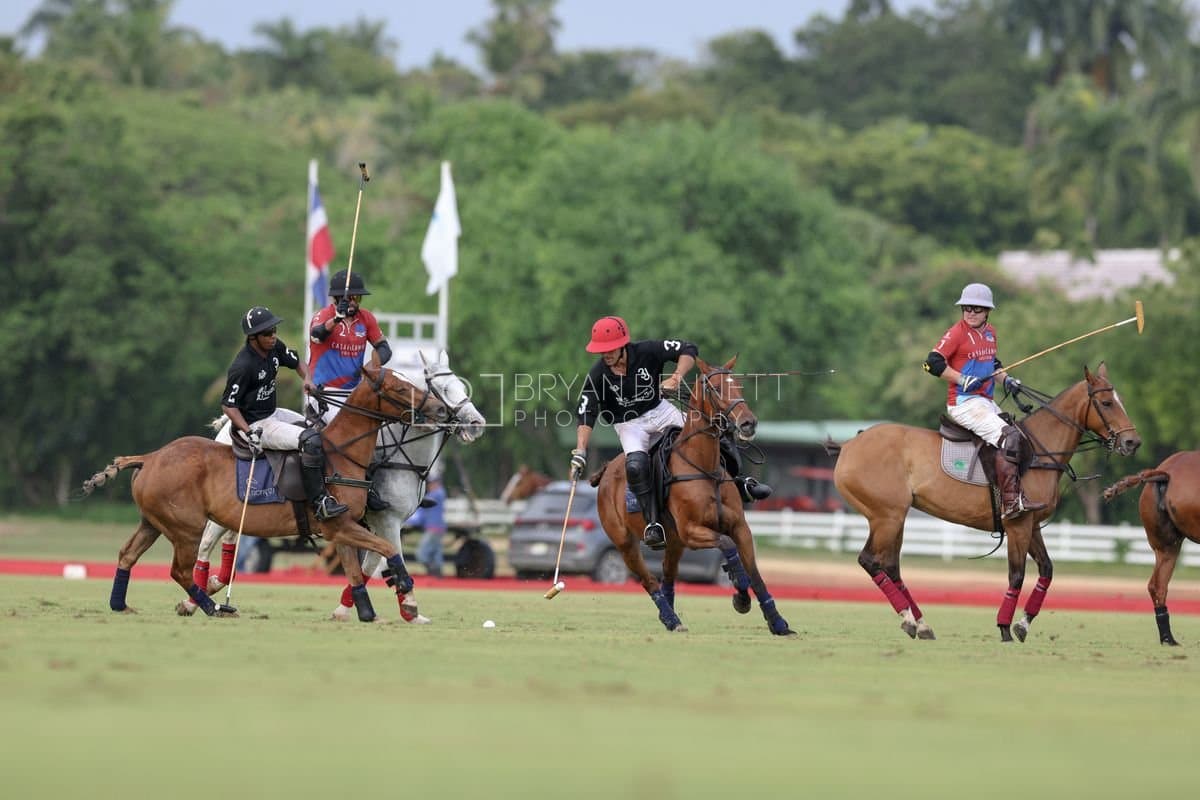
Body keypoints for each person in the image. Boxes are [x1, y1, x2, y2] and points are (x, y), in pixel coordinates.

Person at [571, 315, 770, 550]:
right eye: (602, 351)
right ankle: (653, 524)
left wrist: (676, 377)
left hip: (660, 410)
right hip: (629, 424)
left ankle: (739, 483)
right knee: (635, 466)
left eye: (610, 349)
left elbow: (688, 348)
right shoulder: (598, 375)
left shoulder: (646, 351)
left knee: (712, 431)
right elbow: (586, 412)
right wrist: (581, 451)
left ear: (623, 345)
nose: (606, 355)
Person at [923, 283, 1046, 520]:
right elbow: (931, 363)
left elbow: (993, 364)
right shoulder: (956, 333)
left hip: (985, 402)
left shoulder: (990, 333)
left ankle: (1007, 492)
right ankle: (1011, 502)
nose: (970, 312)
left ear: (987, 311)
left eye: (977, 309)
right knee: (1009, 438)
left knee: (1019, 436)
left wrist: (1007, 380)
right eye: (966, 308)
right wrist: (961, 379)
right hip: (963, 402)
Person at [224, 305, 347, 521]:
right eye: (267, 333)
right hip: (257, 424)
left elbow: (298, 363)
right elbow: (229, 405)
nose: (273, 336)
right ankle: (319, 503)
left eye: (274, 330)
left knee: (322, 431)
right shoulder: (242, 366)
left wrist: (308, 380)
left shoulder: (274, 348)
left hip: (274, 413)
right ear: (253, 338)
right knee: (310, 440)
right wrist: (248, 431)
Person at [306, 268, 393, 510]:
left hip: (354, 395)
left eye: (358, 297)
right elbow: (316, 335)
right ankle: (322, 494)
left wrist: (373, 364)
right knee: (341, 441)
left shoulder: (366, 319)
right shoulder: (323, 316)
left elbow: (384, 348)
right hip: (324, 394)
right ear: (336, 299)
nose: (355, 302)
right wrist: (336, 318)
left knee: (379, 439)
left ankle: (368, 488)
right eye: (350, 297)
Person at [412, 468, 448, 577]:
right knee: (437, 554)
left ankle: (432, 571)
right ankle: (437, 574)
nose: (429, 486)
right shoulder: (439, 493)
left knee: (421, 554)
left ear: (436, 483)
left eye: (431, 483)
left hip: (433, 528)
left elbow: (421, 503)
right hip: (438, 528)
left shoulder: (437, 494)